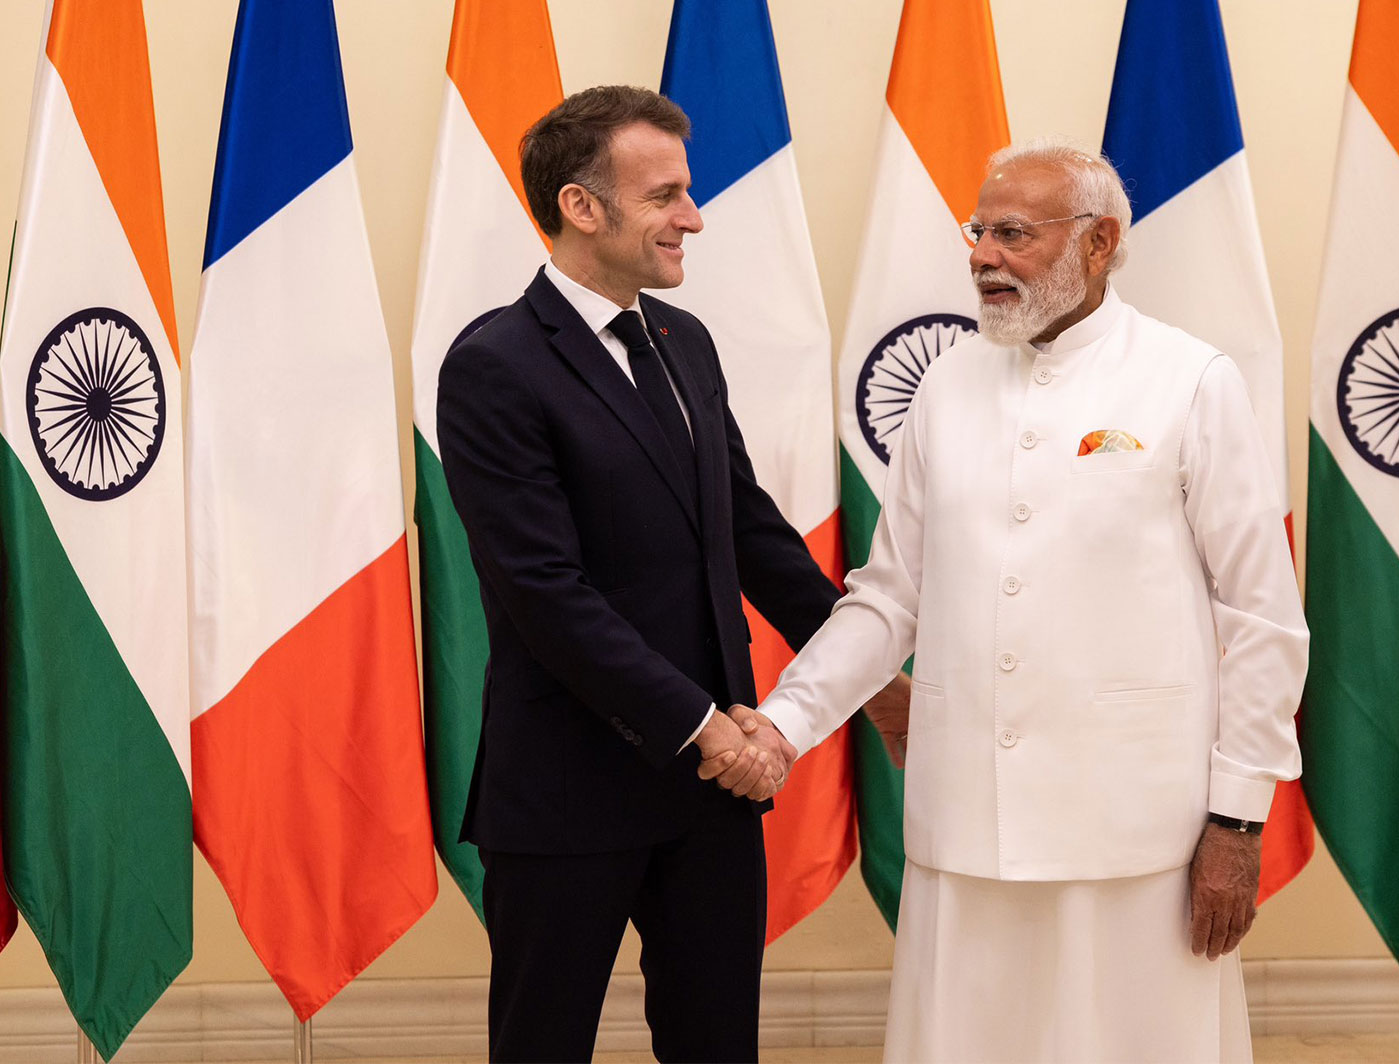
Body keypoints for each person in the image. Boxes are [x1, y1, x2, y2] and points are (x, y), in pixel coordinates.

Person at [724, 138, 1308, 1063]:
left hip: (1133, 830)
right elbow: (887, 599)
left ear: (1099, 243)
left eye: (1012, 235)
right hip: (965, 822)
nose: (982, 257)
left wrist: (1237, 821)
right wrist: (785, 725)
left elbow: (1264, 621)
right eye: (977, 232)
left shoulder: (1191, 379)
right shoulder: (946, 384)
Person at [436, 85, 857, 1062]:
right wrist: (707, 729)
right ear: (583, 207)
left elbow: (747, 531)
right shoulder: (494, 364)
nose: (692, 217)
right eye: (666, 194)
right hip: (570, 790)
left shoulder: (682, 342)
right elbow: (547, 595)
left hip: (710, 797)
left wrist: (864, 673)